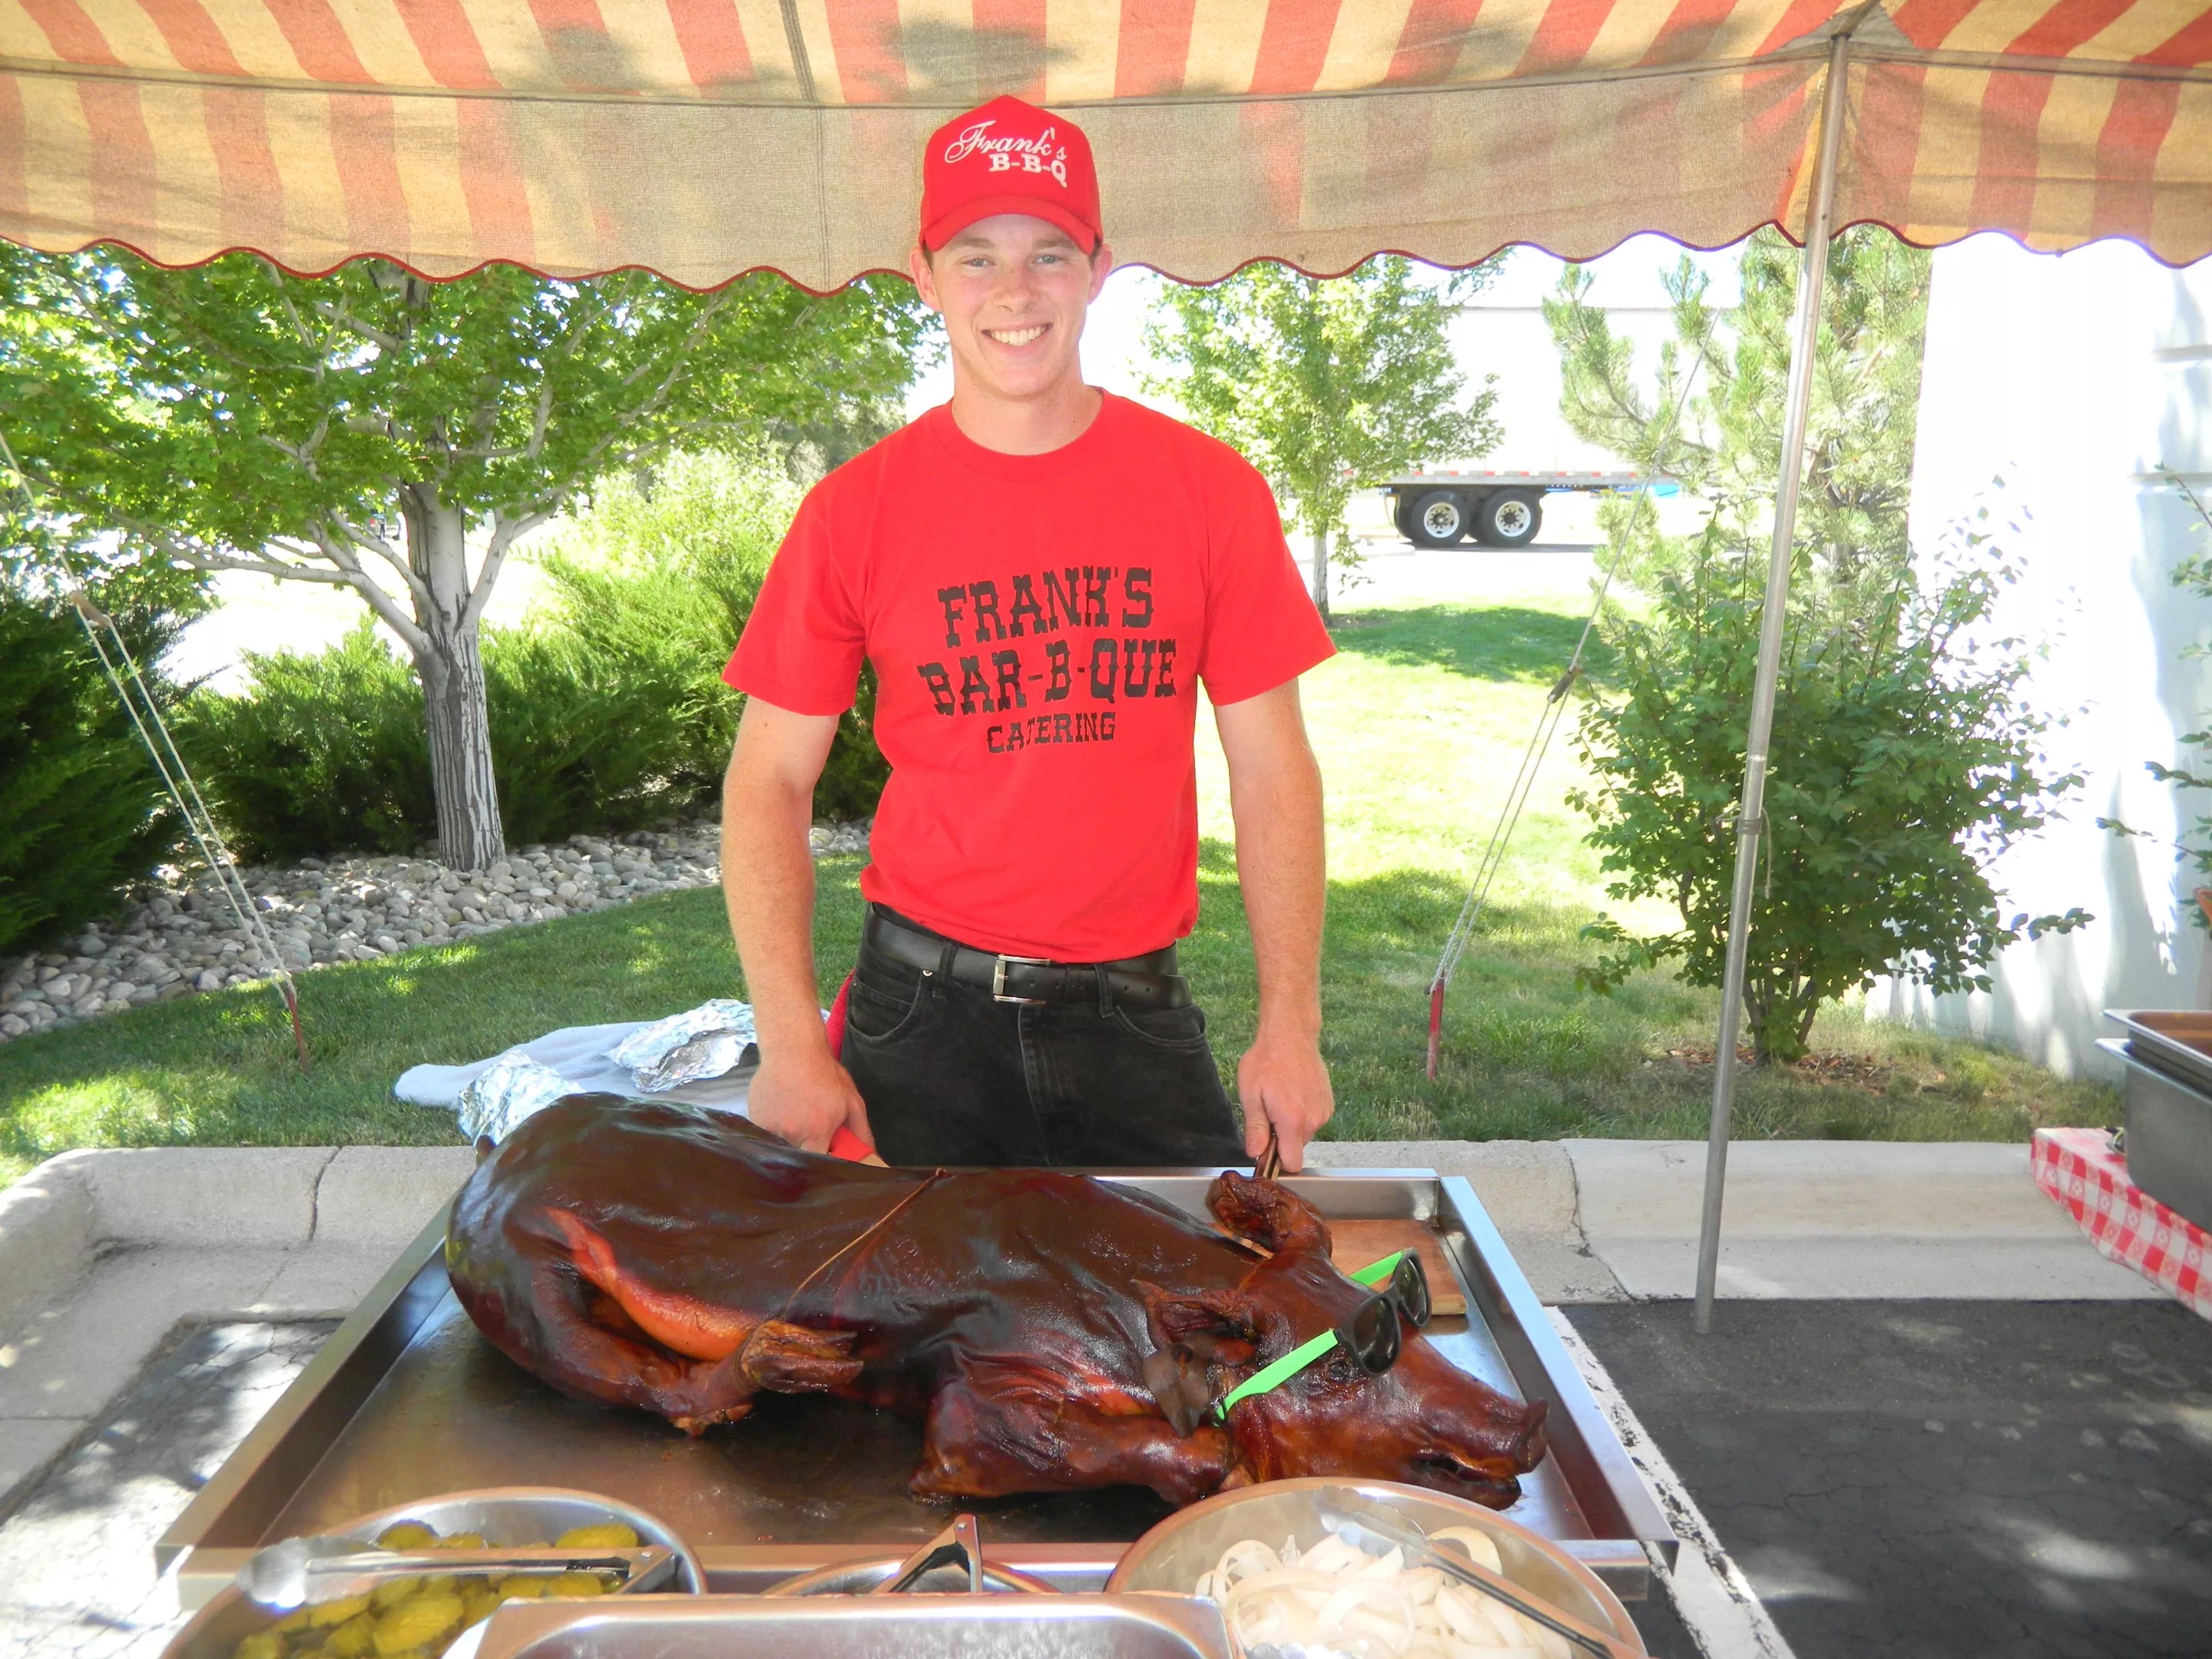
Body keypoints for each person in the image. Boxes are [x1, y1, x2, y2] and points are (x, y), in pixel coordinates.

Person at [720, 94, 1335, 1171]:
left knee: (1206, 1323)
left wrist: (1292, 1025)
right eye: (976, 256)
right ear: (922, 272)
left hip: (1133, 1014)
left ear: (1099, 270)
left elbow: (1273, 767)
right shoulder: (853, 513)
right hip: (919, 1020)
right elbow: (767, 779)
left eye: (1050, 255)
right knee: (886, 1334)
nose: (1014, 291)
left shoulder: (1208, 492)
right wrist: (786, 1042)